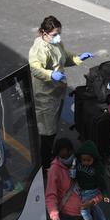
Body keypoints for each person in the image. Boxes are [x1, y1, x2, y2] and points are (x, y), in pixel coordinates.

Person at [29, 16, 94, 170]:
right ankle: (45, 165)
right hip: (45, 96)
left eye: (59, 33)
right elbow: (35, 69)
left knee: (52, 128)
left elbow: (65, 57)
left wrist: (78, 58)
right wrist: (50, 74)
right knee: (47, 132)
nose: (58, 37)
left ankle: (48, 157)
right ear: (44, 34)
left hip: (56, 92)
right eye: (54, 34)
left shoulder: (56, 43)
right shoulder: (39, 49)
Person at [70, 140, 110, 220]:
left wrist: (105, 194)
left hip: (92, 191)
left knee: (83, 210)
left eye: (88, 160)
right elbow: (74, 174)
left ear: (94, 158)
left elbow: (102, 182)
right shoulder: (77, 163)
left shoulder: (96, 169)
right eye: (83, 160)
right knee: (94, 206)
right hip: (82, 190)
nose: (86, 162)